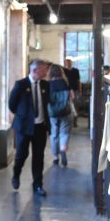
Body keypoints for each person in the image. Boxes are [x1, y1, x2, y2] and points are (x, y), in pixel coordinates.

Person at [9, 59, 50, 197]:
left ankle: (38, 185)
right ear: (35, 70)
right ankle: (16, 174)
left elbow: (46, 104)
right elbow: (12, 104)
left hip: (40, 127)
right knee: (22, 154)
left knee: (39, 156)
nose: (46, 72)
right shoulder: (21, 85)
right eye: (44, 70)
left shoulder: (45, 85)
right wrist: (23, 116)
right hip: (24, 127)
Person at [47, 64, 73, 167]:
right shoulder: (65, 83)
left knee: (54, 134)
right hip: (65, 112)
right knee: (64, 132)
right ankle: (63, 149)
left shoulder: (48, 84)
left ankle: (56, 157)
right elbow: (71, 97)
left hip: (53, 113)